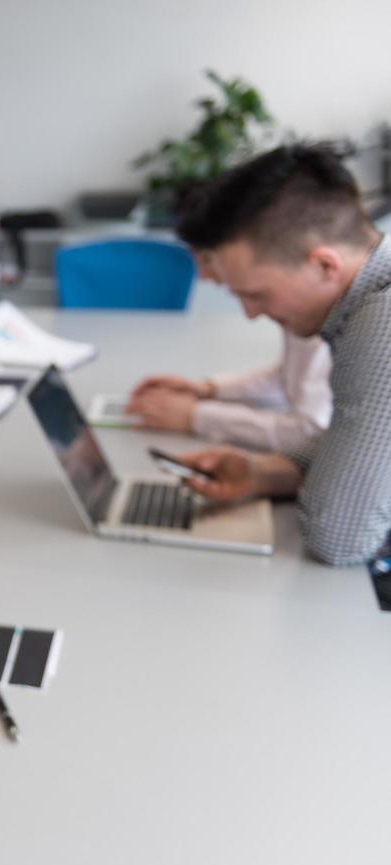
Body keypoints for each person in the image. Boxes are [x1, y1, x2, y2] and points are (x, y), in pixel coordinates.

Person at [172, 144, 391, 565]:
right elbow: (354, 441)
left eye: (256, 295)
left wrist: (317, 483)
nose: (251, 314)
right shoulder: (366, 303)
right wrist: (265, 473)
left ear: (324, 265)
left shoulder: (383, 321)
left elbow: (338, 537)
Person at [126, 248, 332, 453]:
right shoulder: (306, 308)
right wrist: (209, 389)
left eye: (207, 258)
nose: (201, 275)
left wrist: (197, 416)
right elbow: (290, 376)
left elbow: (313, 433)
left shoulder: (319, 313)